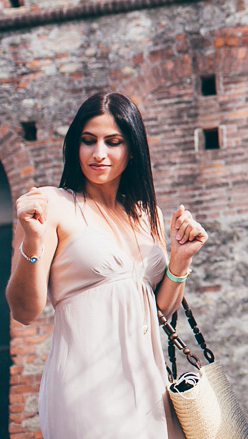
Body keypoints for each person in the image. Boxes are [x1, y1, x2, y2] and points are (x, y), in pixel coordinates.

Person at [6, 92, 208, 439]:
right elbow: (24, 311)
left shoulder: (148, 215)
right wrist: (32, 240)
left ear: (132, 150)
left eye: (112, 142)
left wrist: (180, 258)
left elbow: (160, 309)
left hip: (149, 386)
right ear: (75, 147)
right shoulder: (54, 204)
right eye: (88, 141)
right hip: (87, 387)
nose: (98, 153)